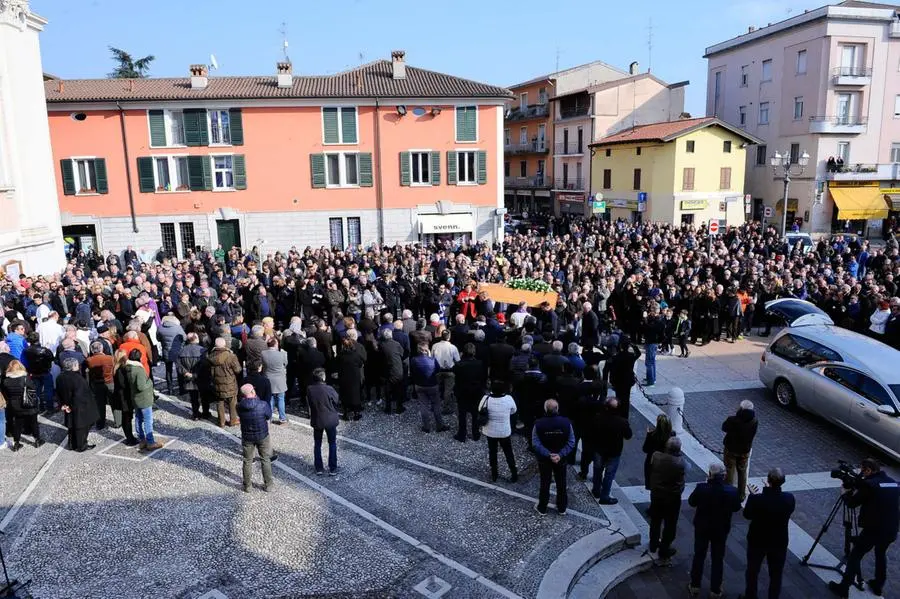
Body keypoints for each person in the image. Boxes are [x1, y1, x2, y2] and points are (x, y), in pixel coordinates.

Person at [827, 459, 899, 598]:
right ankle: (878, 585)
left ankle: (844, 588)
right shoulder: (891, 482)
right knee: (881, 553)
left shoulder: (869, 485)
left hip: (874, 529)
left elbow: (852, 504)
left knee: (855, 555)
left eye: (863, 471)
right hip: (891, 529)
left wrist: (844, 493)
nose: (862, 474)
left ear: (868, 470)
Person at [688, 463, 741, 599]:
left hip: (702, 527)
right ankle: (715, 589)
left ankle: (695, 585)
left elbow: (692, 502)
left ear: (710, 474)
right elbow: (736, 508)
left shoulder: (701, 488)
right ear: (724, 476)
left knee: (699, 555)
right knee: (718, 558)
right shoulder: (732, 491)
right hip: (720, 529)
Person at [740, 468, 795, 599]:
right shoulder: (789, 499)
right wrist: (768, 491)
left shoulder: (757, 499)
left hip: (758, 540)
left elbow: (747, 515)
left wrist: (753, 496)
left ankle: (750, 596)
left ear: (768, 480)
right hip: (778, 541)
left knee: (753, 571)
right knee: (776, 574)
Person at [532, 399, 575, 515]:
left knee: (545, 482)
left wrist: (548, 454)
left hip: (544, 459)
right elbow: (571, 442)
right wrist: (560, 455)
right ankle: (562, 508)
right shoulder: (566, 423)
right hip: (561, 458)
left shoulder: (538, 423)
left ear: (545, 409)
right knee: (561, 483)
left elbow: (536, 443)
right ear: (557, 409)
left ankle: (542, 507)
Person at [648, 436, 686, 562]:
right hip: (672, 497)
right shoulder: (681, 462)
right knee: (670, 524)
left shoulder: (656, 456)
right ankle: (665, 548)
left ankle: (653, 544)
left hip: (657, 494)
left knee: (655, 520)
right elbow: (688, 468)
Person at [592, 397, 633, 505]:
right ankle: (605, 496)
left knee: (597, 470)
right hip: (614, 452)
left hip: (599, 449)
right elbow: (628, 435)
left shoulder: (597, 418)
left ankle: (596, 490)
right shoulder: (622, 422)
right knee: (609, 475)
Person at [55, 357, 99, 452]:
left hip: (67, 405)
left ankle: (72, 444)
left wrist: (63, 404)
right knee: (82, 427)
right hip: (79, 407)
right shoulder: (77, 378)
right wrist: (71, 406)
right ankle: (81, 446)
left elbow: (58, 392)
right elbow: (80, 396)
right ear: (73, 366)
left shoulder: (60, 377)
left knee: (72, 426)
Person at [237, 383, 274, 492]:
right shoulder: (262, 404)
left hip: (247, 436)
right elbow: (268, 415)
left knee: (247, 460)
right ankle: (268, 484)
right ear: (253, 392)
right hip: (262, 435)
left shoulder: (239, 406)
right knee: (265, 459)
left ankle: (247, 486)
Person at [479, 380, 518, 483]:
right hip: (504, 431)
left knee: (492, 452)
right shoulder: (509, 399)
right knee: (508, 452)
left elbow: (480, 409)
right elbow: (514, 410)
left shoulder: (486, 399)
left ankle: (494, 474)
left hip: (490, 431)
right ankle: (514, 473)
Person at [1, 360, 43, 451]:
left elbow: (6, 393)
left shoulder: (6, 381)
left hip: (14, 405)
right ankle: (37, 440)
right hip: (28, 404)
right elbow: (33, 389)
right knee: (33, 423)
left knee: (18, 424)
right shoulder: (25, 378)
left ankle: (16, 444)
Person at [125, 348, 162, 451]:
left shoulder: (128, 367)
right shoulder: (139, 369)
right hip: (144, 399)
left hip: (135, 398)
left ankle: (142, 440)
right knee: (147, 420)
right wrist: (149, 382)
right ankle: (150, 442)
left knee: (138, 418)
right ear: (140, 358)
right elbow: (141, 386)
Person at [722, 399, 758, 502]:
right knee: (742, 473)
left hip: (731, 449)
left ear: (741, 409)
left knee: (730, 470)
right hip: (745, 451)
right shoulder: (754, 421)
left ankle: (728, 493)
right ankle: (741, 495)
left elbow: (724, 428)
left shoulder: (733, 420)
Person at [306, 368, 340, 475]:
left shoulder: (310, 389)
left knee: (317, 444)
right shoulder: (329, 389)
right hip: (330, 419)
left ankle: (319, 467)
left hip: (317, 419)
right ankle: (333, 467)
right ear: (323, 377)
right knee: (332, 443)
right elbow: (336, 400)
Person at [453, 342, 487, 442]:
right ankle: (475, 433)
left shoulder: (459, 365)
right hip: (476, 392)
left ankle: (462, 434)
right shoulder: (480, 364)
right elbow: (484, 378)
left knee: (462, 414)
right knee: (475, 414)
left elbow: (455, 374)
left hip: (462, 391)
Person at [409, 343, 446, 433]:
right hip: (432, 385)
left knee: (423, 406)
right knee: (436, 405)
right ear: (427, 350)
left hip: (420, 385)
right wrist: (430, 356)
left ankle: (426, 427)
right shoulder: (432, 360)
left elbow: (412, 371)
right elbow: (437, 370)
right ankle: (440, 425)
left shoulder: (414, 360)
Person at [208, 337, 242, 427]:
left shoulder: (210, 356)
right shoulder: (231, 356)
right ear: (225, 345)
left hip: (217, 383)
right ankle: (233, 420)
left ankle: (221, 422)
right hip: (229, 383)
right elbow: (238, 370)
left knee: (220, 401)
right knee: (232, 401)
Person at [111, 350, 138, 446]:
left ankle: (129, 436)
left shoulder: (116, 367)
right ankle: (130, 438)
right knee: (127, 418)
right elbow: (123, 384)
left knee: (126, 417)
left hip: (121, 396)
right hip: (124, 397)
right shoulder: (122, 369)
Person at [177, 333, 207, 420]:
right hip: (200, 378)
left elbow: (178, 365)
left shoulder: (182, 351)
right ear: (195, 339)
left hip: (188, 378)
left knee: (193, 398)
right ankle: (205, 413)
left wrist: (186, 373)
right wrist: (196, 374)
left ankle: (195, 414)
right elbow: (204, 366)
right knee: (204, 396)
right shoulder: (203, 350)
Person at [23, 331, 55, 412]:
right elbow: (52, 358)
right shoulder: (44, 350)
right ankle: (49, 408)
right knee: (48, 390)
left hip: (34, 373)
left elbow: (25, 361)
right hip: (45, 372)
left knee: (37, 391)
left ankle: (38, 408)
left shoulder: (26, 351)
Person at [85, 341, 114, 429]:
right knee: (114, 403)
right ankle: (118, 422)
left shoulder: (89, 360)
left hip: (96, 384)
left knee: (100, 405)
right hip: (110, 382)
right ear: (102, 349)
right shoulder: (110, 358)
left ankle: (100, 424)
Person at [642, 413, 674, 490]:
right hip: (665, 463)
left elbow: (645, 449)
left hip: (652, 463)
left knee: (653, 485)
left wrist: (648, 434)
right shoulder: (672, 435)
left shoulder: (652, 435)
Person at [261, 337, 289, 424]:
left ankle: (269, 418)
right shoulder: (282, 354)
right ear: (276, 344)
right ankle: (282, 418)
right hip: (280, 379)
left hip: (268, 378)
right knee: (281, 399)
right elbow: (285, 363)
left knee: (270, 399)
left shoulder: (263, 353)